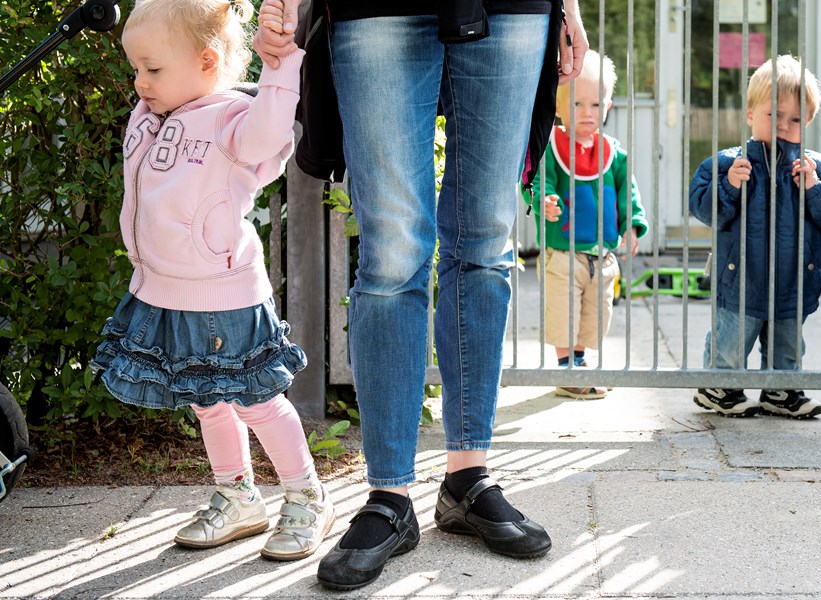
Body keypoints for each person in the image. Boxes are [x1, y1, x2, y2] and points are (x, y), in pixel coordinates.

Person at [253, 0, 589, 590]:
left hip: (512, 8)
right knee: (392, 256)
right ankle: (389, 496)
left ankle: (467, 478)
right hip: (377, 6)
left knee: (484, 245)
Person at [90, 0, 334, 561]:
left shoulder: (232, 121)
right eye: (136, 68)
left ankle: (306, 495)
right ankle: (238, 494)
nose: (139, 81)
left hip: (225, 295)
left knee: (257, 401)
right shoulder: (152, 115)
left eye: (152, 69)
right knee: (207, 401)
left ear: (206, 62)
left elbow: (271, 130)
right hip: (165, 289)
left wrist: (279, 69)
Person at [689, 55, 821, 419]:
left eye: (795, 119)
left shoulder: (817, 167)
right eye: (773, 115)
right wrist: (730, 185)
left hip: (794, 276)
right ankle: (719, 384)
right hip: (741, 275)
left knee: (788, 339)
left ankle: (781, 388)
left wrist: (815, 187)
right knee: (732, 336)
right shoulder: (728, 163)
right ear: (750, 114)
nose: (783, 125)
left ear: (808, 121)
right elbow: (702, 207)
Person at [526, 51, 648, 400]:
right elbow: (539, 180)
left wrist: (633, 224)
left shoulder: (613, 152)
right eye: (577, 104)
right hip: (563, 252)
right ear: (560, 107)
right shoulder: (552, 146)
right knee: (565, 311)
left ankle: (580, 364)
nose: (587, 113)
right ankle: (565, 368)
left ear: (607, 106)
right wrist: (545, 200)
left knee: (595, 313)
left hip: (602, 254)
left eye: (595, 104)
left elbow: (629, 192)